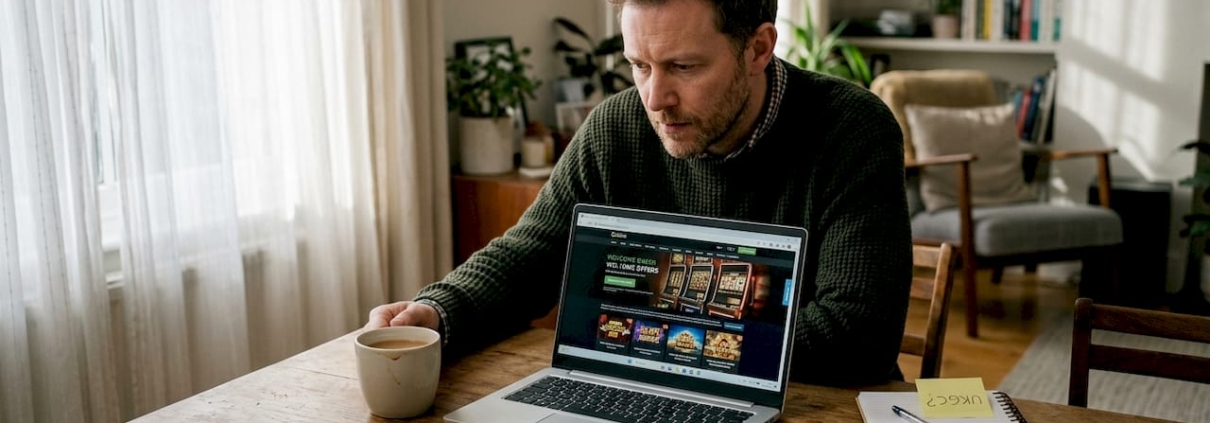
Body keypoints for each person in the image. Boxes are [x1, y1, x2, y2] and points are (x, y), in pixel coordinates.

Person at [366, 0, 911, 385]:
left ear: (758, 48)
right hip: (651, 386)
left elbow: (856, 337)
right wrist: (436, 310)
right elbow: (530, 255)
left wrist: (646, 332)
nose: (655, 98)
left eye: (683, 66)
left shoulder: (850, 130)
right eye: (638, 65)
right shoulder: (617, 127)